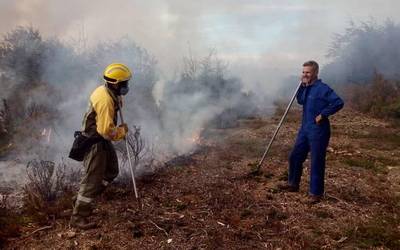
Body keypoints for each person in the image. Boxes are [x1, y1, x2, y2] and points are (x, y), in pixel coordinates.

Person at [70, 63, 131, 229]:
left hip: (101, 141)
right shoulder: (105, 100)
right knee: (92, 181)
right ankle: (78, 217)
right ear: (116, 83)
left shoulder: (106, 91)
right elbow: (105, 131)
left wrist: (118, 100)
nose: (127, 86)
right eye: (124, 83)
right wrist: (121, 131)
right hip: (95, 143)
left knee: (111, 171)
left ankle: (80, 202)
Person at [279, 60, 344, 204]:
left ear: (315, 72)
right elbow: (301, 101)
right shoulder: (306, 87)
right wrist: (302, 86)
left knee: (316, 161)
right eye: (303, 72)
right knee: (295, 156)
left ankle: (316, 193)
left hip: (319, 130)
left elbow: (338, 102)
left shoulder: (322, 88)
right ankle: (293, 184)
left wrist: (323, 114)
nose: (304, 74)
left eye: (307, 72)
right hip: (305, 128)